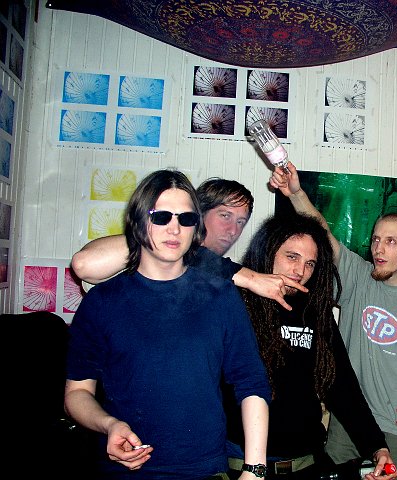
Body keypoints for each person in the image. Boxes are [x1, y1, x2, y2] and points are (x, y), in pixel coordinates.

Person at [64, 169, 271, 479]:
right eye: (161, 217)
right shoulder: (103, 301)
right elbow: (77, 393)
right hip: (124, 470)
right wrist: (109, 424)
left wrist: (254, 469)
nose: (174, 229)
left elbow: (251, 381)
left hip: (203, 470)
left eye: (186, 219)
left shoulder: (221, 296)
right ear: (139, 221)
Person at [269, 163, 397, 480]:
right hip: (348, 423)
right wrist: (296, 193)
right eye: (376, 239)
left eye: (391, 241)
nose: (378, 249)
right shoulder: (360, 276)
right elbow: (323, 234)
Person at [224, 212, 397, 480]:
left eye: (310, 263)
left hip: (305, 463)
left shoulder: (314, 310)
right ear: (269, 250)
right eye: (291, 257)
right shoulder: (234, 302)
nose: (300, 271)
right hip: (242, 465)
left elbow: (341, 384)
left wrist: (376, 446)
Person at [72, 177, 306, 310]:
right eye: (225, 216)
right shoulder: (152, 256)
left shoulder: (227, 276)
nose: (233, 230)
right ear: (198, 213)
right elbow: (84, 264)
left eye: (241, 222)